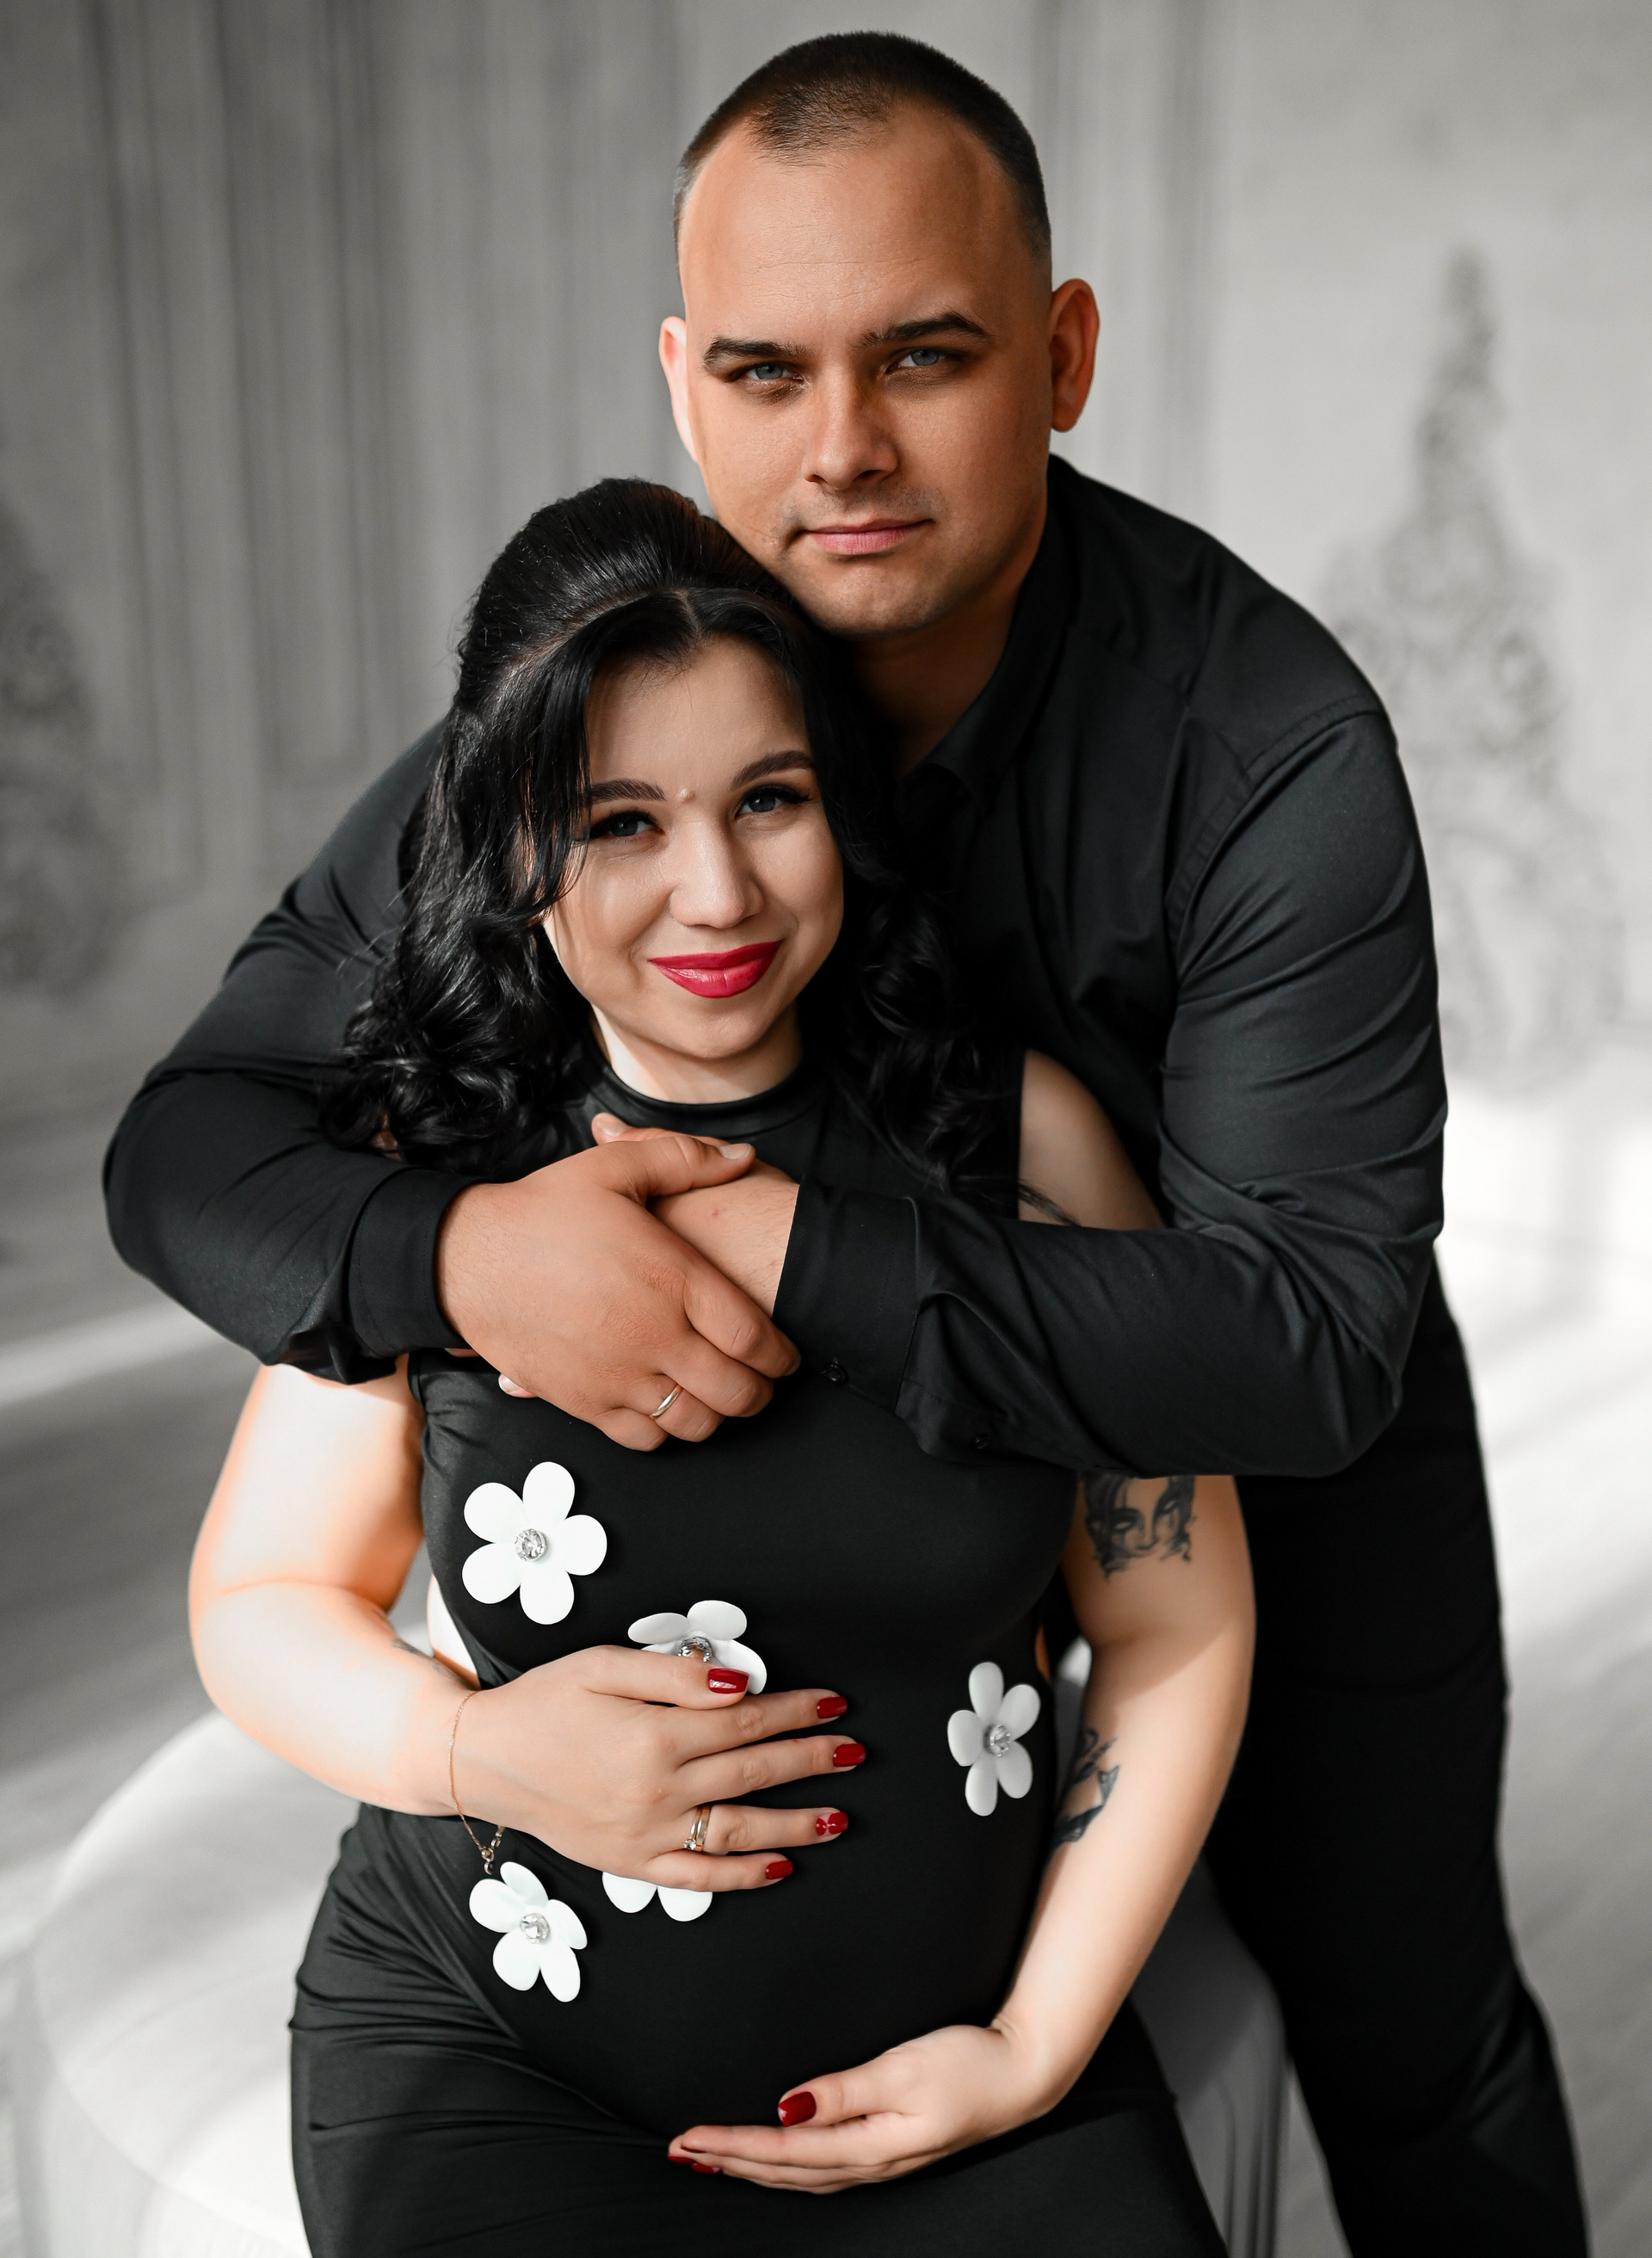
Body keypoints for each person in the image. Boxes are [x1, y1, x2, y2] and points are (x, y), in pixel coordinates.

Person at [108, 32, 1587, 2256]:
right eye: (768, 371)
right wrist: (471, 1265)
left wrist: (792, 1241)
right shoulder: (607, 696)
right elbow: (192, 1141)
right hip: (727, 1644)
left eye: (925, 356)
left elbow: (1305, 1344)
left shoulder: (1270, 743)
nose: (843, 449)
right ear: (684, 384)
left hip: (1248, 1427)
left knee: (1409, 2024)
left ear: (1062, 359)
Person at [190, 480, 1253, 2254]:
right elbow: (260, 1594)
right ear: (513, 851)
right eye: (620, 821)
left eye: (770, 797)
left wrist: (1029, 2049)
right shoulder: (433, 1174)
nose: (717, 891)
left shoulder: (1024, 1152)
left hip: (969, 2070)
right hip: (498, 2056)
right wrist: (473, 1750)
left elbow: (1172, 1625)